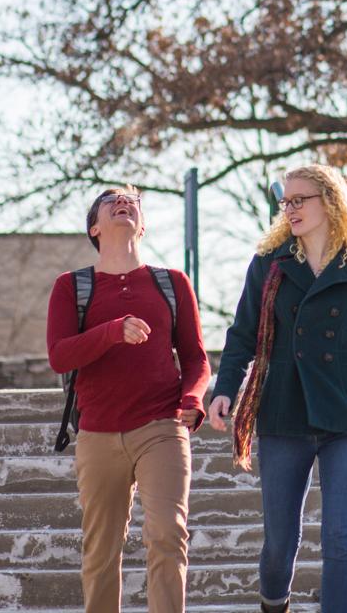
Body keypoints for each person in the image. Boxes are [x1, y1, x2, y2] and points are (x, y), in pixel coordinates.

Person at [206, 164, 347, 613]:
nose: (290, 208)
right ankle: (273, 604)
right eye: (286, 201)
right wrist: (225, 389)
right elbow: (242, 335)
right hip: (283, 411)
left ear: (330, 202)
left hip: (345, 415)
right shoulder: (270, 264)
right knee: (281, 542)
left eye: (301, 200)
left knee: (340, 539)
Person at [47, 186, 209, 613]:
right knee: (101, 550)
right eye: (110, 200)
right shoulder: (71, 287)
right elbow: (59, 355)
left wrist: (192, 399)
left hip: (161, 427)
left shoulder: (172, 283)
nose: (124, 203)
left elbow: (196, 359)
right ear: (94, 227)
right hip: (97, 432)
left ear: (143, 223)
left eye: (132, 201)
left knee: (167, 537)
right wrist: (111, 330)